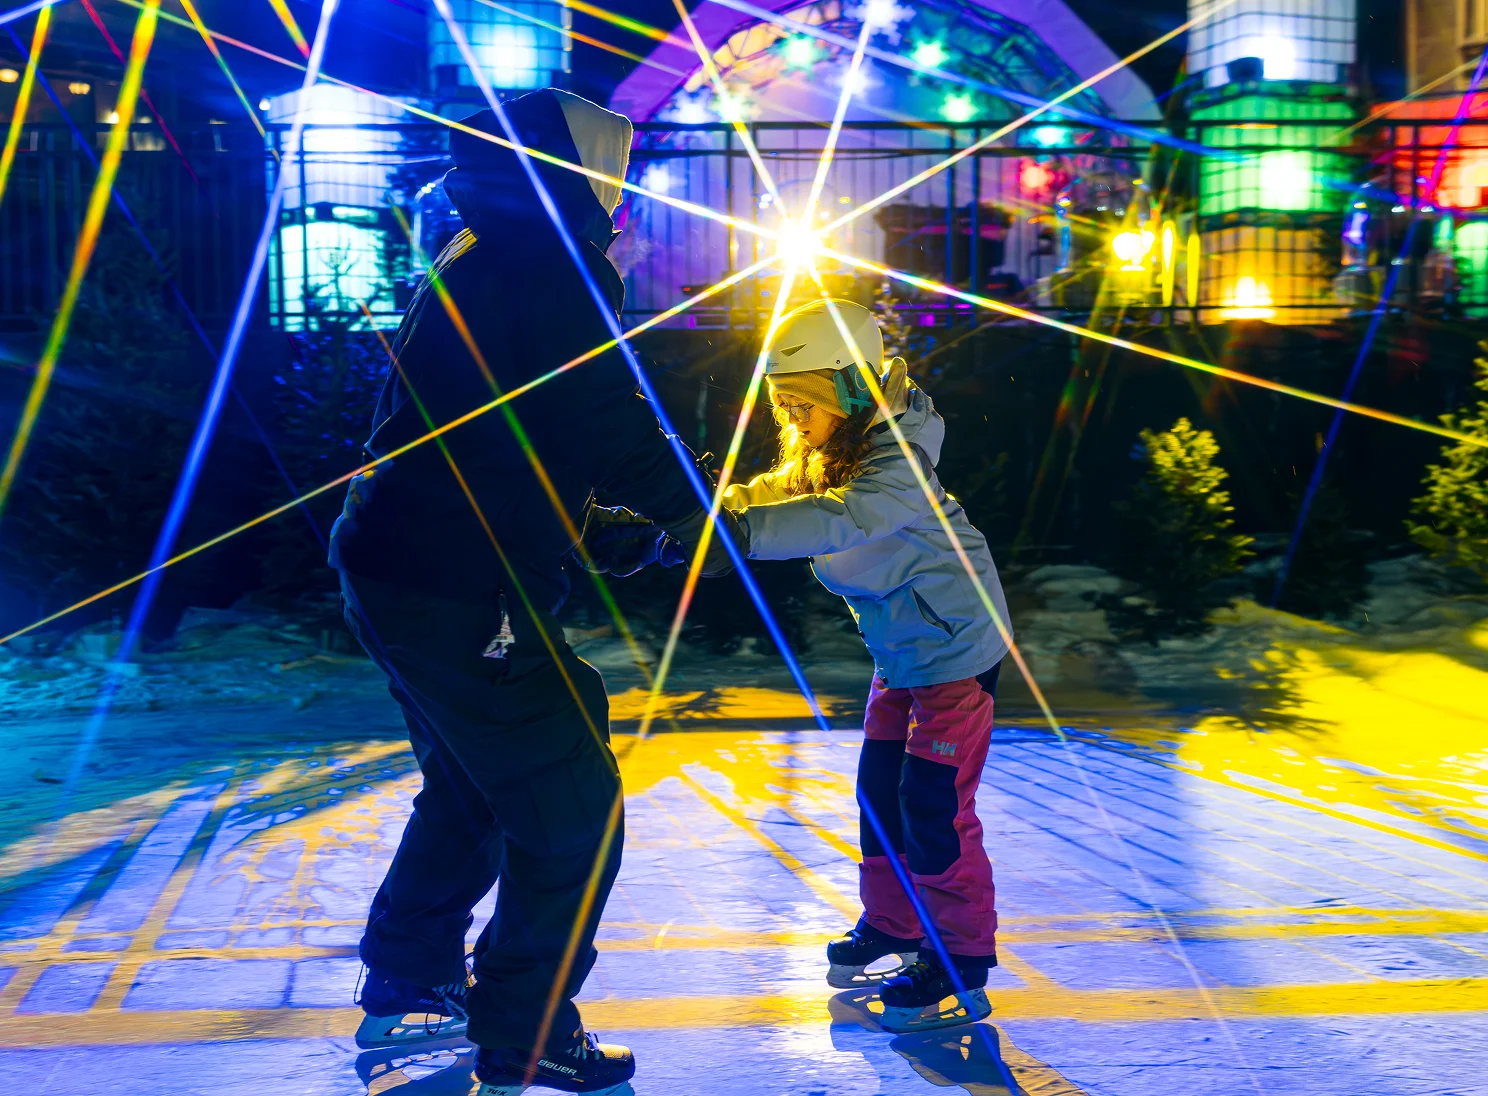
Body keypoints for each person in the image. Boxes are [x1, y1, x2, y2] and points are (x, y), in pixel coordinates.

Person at [328, 89, 739, 1095]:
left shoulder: (481, 250)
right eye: (614, 178)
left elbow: (480, 430)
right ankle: (529, 1026)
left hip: (399, 559)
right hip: (459, 582)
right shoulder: (549, 263)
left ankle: (414, 975)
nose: (622, 200)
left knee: (480, 781)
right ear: (575, 177)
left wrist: (593, 533)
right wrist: (709, 508)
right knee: (571, 801)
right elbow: (600, 413)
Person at [721, 299, 1012, 1034]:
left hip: (956, 651)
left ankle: (959, 958)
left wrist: (738, 532)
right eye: (784, 403)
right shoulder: (830, 448)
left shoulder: (898, 460)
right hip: (901, 653)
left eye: (805, 401)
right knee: (880, 792)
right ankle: (894, 924)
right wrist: (701, 510)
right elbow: (774, 495)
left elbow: (847, 517)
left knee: (933, 805)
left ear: (851, 388)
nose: (793, 418)